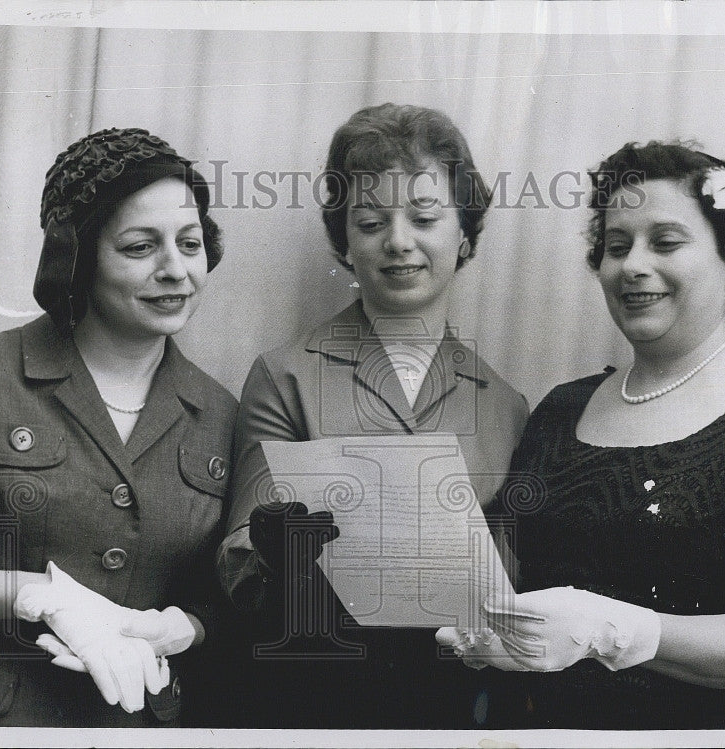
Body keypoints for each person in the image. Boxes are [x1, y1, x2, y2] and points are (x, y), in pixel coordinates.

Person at [438, 141, 725, 729]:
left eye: (665, 242)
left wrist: (609, 629)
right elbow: (511, 577)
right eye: (616, 246)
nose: (632, 265)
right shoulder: (562, 409)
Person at [216, 103, 529, 728]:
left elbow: (510, 586)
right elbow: (240, 563)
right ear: (345, 243)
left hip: (445, 708)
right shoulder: (286, 375)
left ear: (464, 234)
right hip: (305, 697)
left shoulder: (506, 404)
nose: (398, 241)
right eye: (370, 221)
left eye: (424, 217)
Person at [0, 127, 238, 727]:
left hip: (137, 723)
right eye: (139, 247)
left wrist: (188, 629)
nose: (175, 270)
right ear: (77, 258)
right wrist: (36, 597)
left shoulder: (222, 412)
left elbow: (230, 596)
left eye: (191, 243)